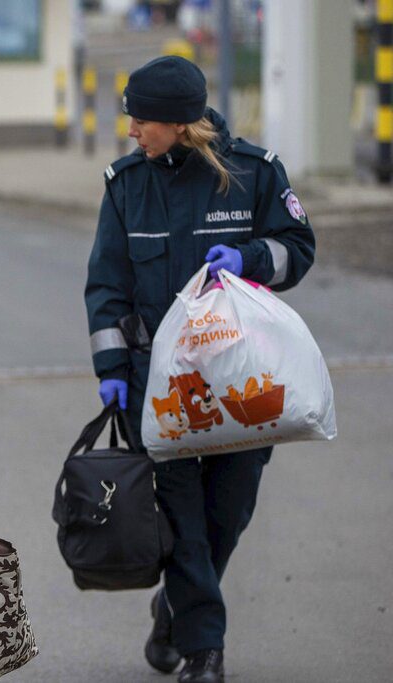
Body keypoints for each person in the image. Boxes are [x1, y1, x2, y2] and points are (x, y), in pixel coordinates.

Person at [85, 56, 315, 683]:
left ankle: (176, 610)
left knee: (227, 513)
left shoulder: (255, 174)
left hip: (243, 385)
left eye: (142, 118)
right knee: (182, 517)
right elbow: (107, 285)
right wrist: (112, 367)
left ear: (181, 124)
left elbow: (299, 250)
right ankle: (203, 650)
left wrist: (247, 258)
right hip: (159, 388)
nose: (132, 129)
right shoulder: (127, 183)